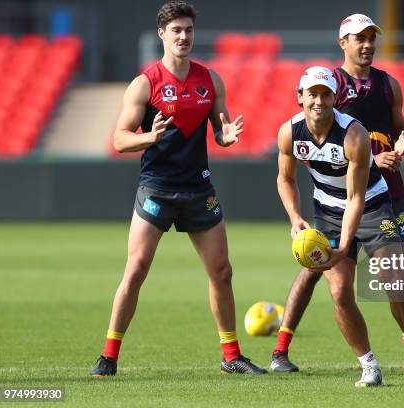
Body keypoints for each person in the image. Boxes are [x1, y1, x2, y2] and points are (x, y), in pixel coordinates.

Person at [90, 1, 266, 377]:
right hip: (156, 188)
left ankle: (231, 357)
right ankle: (108, 357)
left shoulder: (210, 79)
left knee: (221, 272)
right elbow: (120, 140)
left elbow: (218, 131)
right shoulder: (145, 83)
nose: (183, 37)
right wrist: (147, 138)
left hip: (198, 189)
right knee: (136, 270)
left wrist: (225, 136)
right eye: (176, 31)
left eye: (188, 30)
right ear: (162, 35)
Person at [270, 14, 404, 382]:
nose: (318, 101)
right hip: (328, 210)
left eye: (324, 95)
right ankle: (368, 365)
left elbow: (356, 196)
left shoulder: (355, 133)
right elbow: (285, 179)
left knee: (395, 276)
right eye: (311, 94)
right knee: (337, 290)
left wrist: (344, 245)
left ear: (335, 98)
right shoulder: (289, 132)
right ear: (299, 97)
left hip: (374, 202)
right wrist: (294, 218)